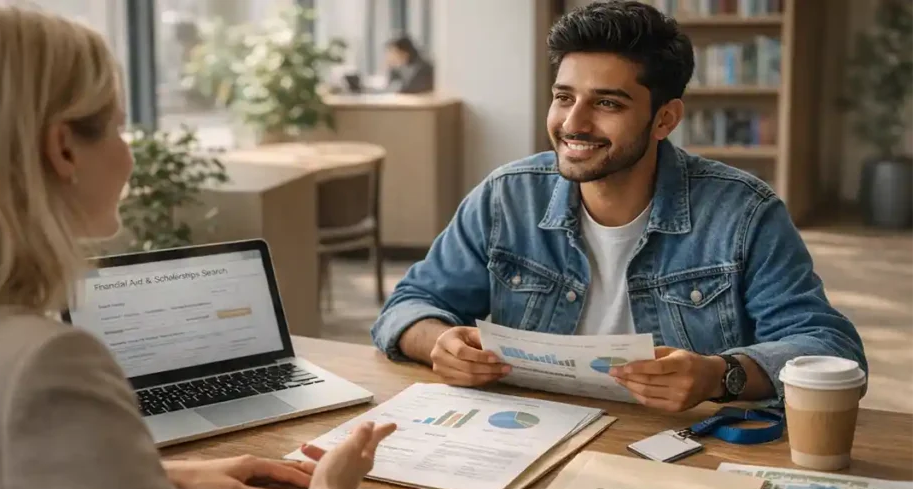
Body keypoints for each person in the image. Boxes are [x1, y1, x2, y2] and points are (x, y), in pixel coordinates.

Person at [0, 3, 395, 489]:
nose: (128, 153)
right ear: (63, 149)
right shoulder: (40, 367)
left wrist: (154, 480)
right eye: (118, 127)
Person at [371, 0, 866, 413]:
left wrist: (721, 375)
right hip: (527, 430)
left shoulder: (744, 213)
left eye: (607, 103)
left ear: (665, 119)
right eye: (564, 97)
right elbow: (408, 306)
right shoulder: (506, 196)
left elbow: (828, 347)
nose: (574, 123)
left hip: (679, 449)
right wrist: (437, 342)